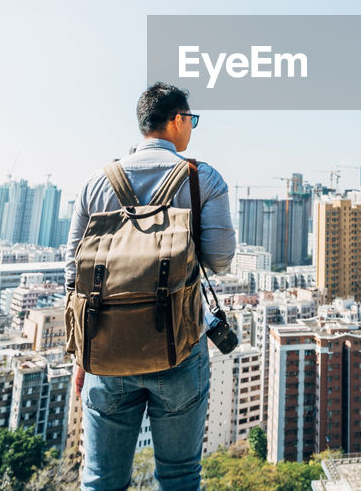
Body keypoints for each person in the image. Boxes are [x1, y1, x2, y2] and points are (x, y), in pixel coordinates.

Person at [66, 82, 236, 491]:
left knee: (101, 479)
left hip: (105, 351)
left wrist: (80, 354)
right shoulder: (202, 179)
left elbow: (74, 273)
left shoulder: (97, 182)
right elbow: (220, 259)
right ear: (177, 120)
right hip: (178, 346)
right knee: (178, 477)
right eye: (191, 120)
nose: (191, 127)